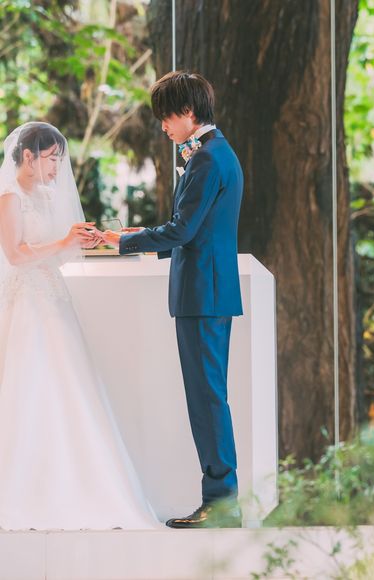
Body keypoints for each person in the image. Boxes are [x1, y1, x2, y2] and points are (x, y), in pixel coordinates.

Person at [0, 122, 159, 530]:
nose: (57, 168)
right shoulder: (10, 197)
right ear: (29, 157)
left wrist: (77, 242)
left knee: (70, 384)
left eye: (59, 159)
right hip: (28, 302)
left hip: (53, 297)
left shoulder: (45, 195)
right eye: (52, 159)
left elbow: (51, 254)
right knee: (28, 384)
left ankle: (78, 486)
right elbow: (15, 255)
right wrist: (63, 242)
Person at [103, 71, 244, 528]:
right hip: (208, 292)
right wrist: (140, 235)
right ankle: (221, 500)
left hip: (203, 294)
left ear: (187, 112)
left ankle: (222, 504)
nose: (163, 126)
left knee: (207, 401)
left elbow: (183, 230)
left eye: (166, 116)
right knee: (209, 398)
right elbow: (194, 229)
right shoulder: (215, 153)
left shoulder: (207, 158)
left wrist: (124, 241)